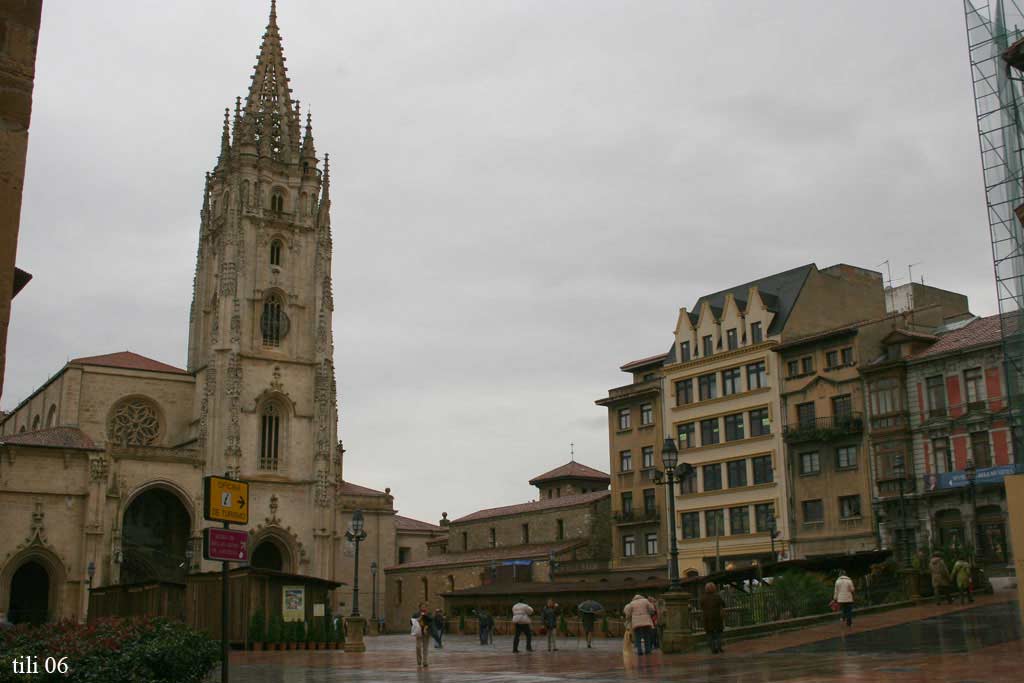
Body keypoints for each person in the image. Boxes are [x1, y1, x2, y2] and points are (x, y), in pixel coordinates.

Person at [700, 582, 726, 654]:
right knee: (718, 633)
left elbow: (701, 605)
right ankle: (719, 647)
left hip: (707, 618)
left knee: (709, 633)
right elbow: (723, 604)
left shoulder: (703, 597)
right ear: (714, 588)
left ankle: (713, 648)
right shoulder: (717, 596)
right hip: (717, 616)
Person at [411, 603, 434, 668]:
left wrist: (425, 616)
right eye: (422, 607)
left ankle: (425, 662)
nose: (423, 608)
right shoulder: (416, 614)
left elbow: (431, 620)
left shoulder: (429, 614)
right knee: (418, 647)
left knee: (425, 648)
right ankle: (419, 661)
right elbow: (411, 621)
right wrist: (419, 618)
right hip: (418, 633)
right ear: (419, 607)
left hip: (426, 633)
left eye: (425, 607)